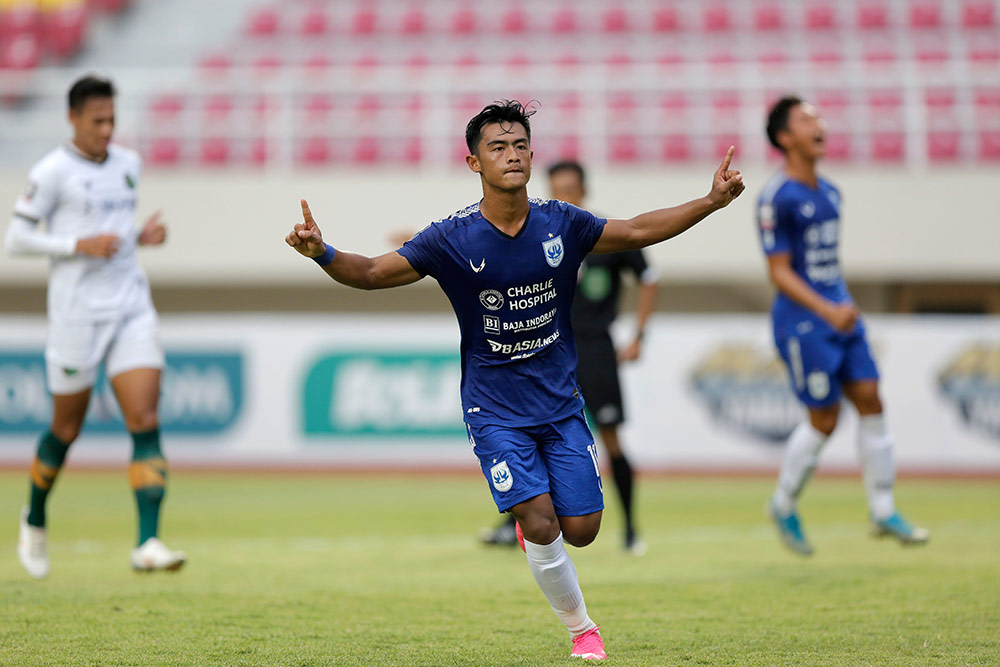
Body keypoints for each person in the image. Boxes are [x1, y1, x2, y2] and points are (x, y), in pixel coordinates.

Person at [286, 100, 743, 660]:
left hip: (559, 404)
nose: (512, 155)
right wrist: (322, 252)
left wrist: (711, 201)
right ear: (474, 162)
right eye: (497, 147)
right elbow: (375, 272)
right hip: (493, 409)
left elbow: (639, 229)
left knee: (583, 529)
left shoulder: (562, 222)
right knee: (542, 520)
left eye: (520, 145)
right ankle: (583, 631)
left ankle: (536, 525)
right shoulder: (451, 237)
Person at [6, 75, 186, 579]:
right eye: (97, 121)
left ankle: (147, 542)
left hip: (129, 304)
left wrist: (139, 237)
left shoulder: (129, 164)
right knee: (66, 428)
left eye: (112, 120)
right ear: (73, 118)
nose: (107, 130)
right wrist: (75, 245)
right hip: (76, 315)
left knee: (145, 419)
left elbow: (114, 234)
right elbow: (15, 238)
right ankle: (35, 517)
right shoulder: (52, 172)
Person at [757, 95, 928, 556]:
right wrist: (826, 310)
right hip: (803, 323)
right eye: (807, 119)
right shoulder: (776, 198)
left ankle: (883, 508)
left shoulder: (831, 193)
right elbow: (780, 271)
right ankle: (783, 502)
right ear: (785, 137)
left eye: (820, 117)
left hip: (842, 312)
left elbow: (827, 263)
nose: (821, 125)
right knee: (825, 419)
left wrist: (841, 304)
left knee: (872, 399)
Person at [480, 160, 658, 555]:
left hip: (594, 349)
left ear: (583, 192)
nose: (563, 197)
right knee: (534, 433)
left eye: (570, 190)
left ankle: (630, 529)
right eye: (556, 189)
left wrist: (639, 334)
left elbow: (649, 277)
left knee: (610, 438)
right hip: (548, 351)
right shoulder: (533, 233)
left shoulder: (600, 234)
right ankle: (519, 524)